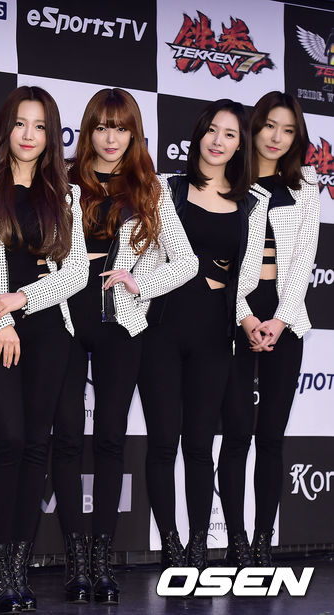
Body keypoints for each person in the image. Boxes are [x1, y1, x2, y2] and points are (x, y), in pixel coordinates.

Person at [50, 88, 197, 604]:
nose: (111, 138)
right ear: (88, 130)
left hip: (123, 323)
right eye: (101, 127)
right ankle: (75, 562)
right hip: (64, 316)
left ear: (134, 134)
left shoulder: (149, 188)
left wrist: (141, 282)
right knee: (68, 438)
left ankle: (101, 560)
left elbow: (187, 262)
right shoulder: (62, 178)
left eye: (121, 128)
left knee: (111, 438)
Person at [0, 85, 89, 612]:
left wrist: (25, 299)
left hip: (49, 327)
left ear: (51, 134)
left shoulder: (65, 193)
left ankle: (18, 566)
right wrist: (4, 317)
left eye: (39, 126)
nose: (29, 135)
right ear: (5, 129)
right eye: (20, 123)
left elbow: (76, 273)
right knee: (9, 441)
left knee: (36, 445)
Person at [138, 99, 269, 576]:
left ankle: (198, 546)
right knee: (161, 443)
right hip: (162, 327)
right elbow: (150, 255)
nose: (218, 141)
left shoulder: (253, 202)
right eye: (212, 130)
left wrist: (244, 315)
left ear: (240, 145)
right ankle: (171, 545)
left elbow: (245, 276)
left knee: (199, 444)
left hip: (215, 332)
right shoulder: (167, 188)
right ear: (198, 134)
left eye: (230, 134)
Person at [218, 92, 319, 568]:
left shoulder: (306, 185)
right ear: (254, 127)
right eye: (269, 126)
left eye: (288, 130)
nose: (277, 137)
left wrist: (280, 319)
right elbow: (220, 262)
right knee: (237, 433)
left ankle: (262, 541)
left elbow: (303, 259)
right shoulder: (228, 181)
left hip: (286, 318)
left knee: (272, 437)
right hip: (235, 317)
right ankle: (236, 540)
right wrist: (245, 317)